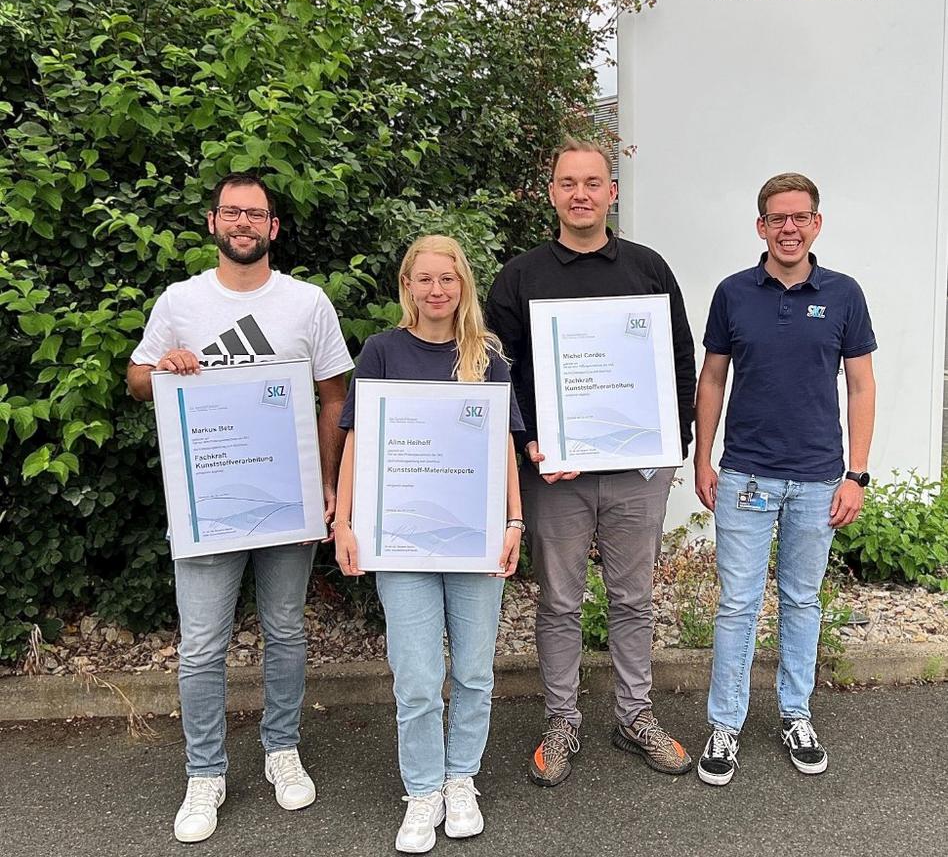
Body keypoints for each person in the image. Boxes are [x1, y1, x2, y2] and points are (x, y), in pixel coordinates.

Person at [127, 172, 353, 842]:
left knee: (285, 630)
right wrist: (162, 367)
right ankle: (205, 772)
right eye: (232, 212)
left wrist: (327, 483)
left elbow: (335, 398)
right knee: (201, 645)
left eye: (256, 214)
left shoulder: (307, 303)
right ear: (213, 222)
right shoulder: (180, 301)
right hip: (209, 501)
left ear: (273, 227)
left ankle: (281, 748)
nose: (244, 223)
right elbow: (136, 380)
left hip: (287, 499)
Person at [484, 138, 697, 787]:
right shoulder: (520, 278)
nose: (581, 194)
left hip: (637, 471)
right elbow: (498, 372)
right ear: (552, 192)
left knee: (634, 598)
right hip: (555, 472)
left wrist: (673, 443)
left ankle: (634, 716)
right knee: (560, 601)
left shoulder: (647, 269)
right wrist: (527, 443)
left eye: (593, 182)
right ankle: (562, 720)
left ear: (612, 192)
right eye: (568, 183)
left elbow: (678, 358)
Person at [333, 235, 524, 854]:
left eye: (448, 278)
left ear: (463, 285)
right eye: (425, 279)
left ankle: (460, 779)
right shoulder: (382, 351)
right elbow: (357, 439)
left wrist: (514, 522)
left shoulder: (487, 356)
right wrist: (345, 523)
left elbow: (504, 445)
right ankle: (422, 790)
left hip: (474, 540)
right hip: (401, 543)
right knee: (416, 678)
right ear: (407, 286)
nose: (437, 290)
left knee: (473, 672)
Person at [693, 172, 876, 786]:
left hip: (819, 480)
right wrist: (703, 459)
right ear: (761, 226)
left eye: (800, 217)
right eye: (777, 218)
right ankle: (725, 724)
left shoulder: (844, 294)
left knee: (801, 601)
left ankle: (796, 714)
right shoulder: (733, 293)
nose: (789, 228)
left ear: (816, 224)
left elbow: (861, 385)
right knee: (737, 605)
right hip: (746, 475)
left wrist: (856, 474)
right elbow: (712, 377)